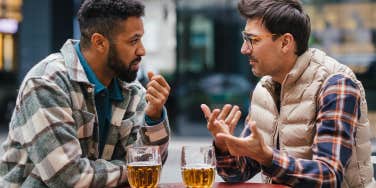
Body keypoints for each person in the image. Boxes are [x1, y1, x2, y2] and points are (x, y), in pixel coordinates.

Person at [201, 0, 375, 187]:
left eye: (254, 40)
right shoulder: (264, 89)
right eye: (245, 39)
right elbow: (238, 173)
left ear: (285, 42)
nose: (244, 49)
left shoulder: (336, 84)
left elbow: (329, 176)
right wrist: (225, 146)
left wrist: (268, 157)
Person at [0, 0, 171, 187]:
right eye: (133, 41)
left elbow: (152, 165)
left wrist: (154, 118)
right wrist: (133, 169)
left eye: (141, 39)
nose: (142, 50)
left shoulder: (132, 90)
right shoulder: (47, 83)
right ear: (99, 42)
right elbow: (68, 178)